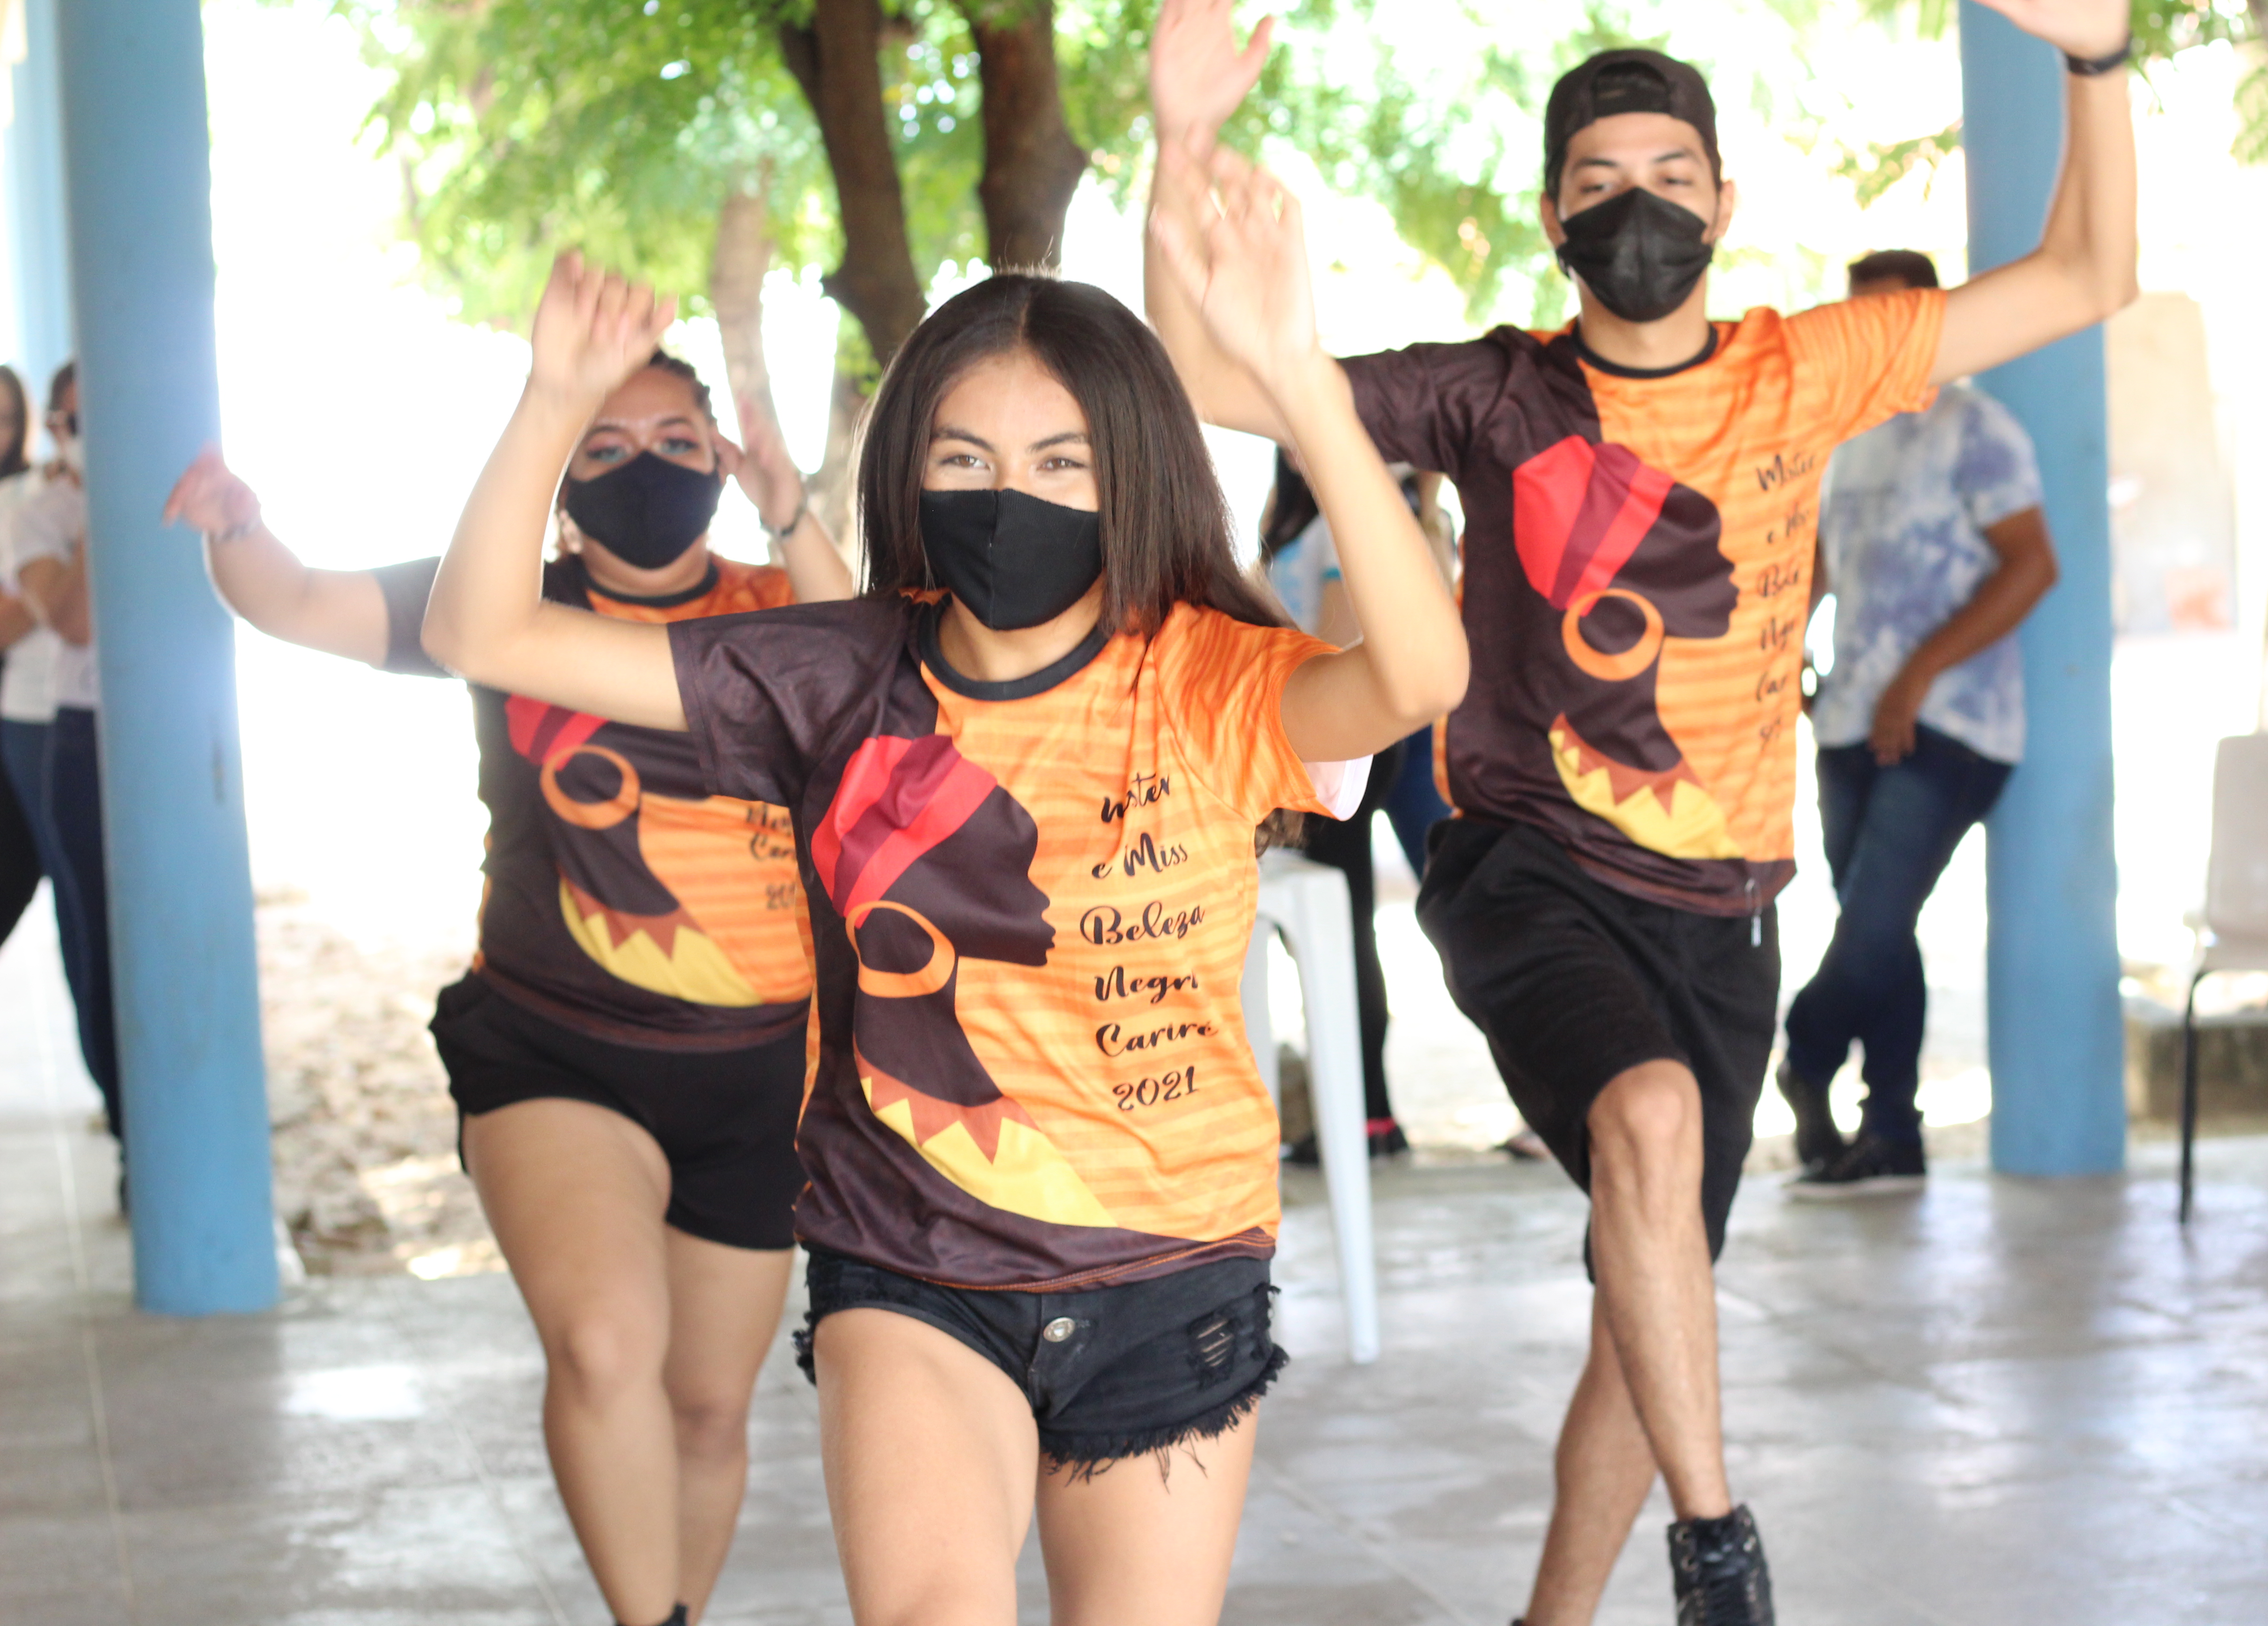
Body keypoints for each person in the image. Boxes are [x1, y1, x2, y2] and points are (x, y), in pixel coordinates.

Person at [1142, 1, 2137, 1619]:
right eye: (1599, 181)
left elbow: (2088, 274)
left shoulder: (1805, 368)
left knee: (1641, 1308)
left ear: (1725, 203)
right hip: (1527, 866)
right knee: (1653, 1121)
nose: (1639, 207)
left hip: (1727, 913)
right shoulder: (1493, 393)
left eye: (1672, 176)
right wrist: (1180, 142)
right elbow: (1199, 372)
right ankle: (1720, 1554)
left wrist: (2096, 61)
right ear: (1553, 216)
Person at [418, 156, 1465, 1624]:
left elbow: (1421, 676)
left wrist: (1300, 382)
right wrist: (550, 403)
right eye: (963, 461)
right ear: (908, 471)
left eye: (1061, 464)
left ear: (1133, 476)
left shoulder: (1208, 677)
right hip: (910, 1253)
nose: (1007, 496)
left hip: (1169, 1262)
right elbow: (484, 632)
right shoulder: (833, 673)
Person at [161, 351, 853, 1626]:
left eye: (676, 440)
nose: (644, 465)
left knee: (708, 1407)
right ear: (563, 476)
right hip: (556, 1051)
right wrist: (236, 526)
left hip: (759, 1077)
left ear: (721, 457)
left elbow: (867, 689)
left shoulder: (774, 605)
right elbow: (297, 599)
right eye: (603, 445)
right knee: (603, 1343)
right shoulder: (505, 606)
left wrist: (790, 509)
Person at [1781, 250, 2057, 1195]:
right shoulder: (1841, 436)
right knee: (1881, 930)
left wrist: (1916, 676)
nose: (1875, 339)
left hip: (1950, 725)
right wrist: (1786, 658)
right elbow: (1817, 567)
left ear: (1932, 320)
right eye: (1859, 319)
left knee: (1872, 923)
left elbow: (2033, 566)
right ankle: (1892, 1132)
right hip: (1847, 722)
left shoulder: (1978, 429)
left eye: (1892, 319)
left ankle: (1802, 1053)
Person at [1259, 449, 1427, 1160]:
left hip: (1329, 743)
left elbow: (1330, 643)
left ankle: (1365, 1117)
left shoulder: (1343, 516)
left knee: (1340, 928)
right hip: (1300, 739)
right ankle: (1360, 1114)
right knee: (1328, 929)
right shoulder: (1290, 517)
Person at [8, 363, 121, 1146]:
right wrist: (98, 512)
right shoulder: (42, 515)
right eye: (79, 424)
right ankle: (127, 1120)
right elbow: (73, 623)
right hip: (58, 729)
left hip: (158, 737)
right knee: (94, 937)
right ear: (56, 428)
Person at [0, 366, 47, 947]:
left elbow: (29, 610)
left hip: (20, 705)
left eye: (7, 419)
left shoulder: (34, 494)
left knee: (17, 862)